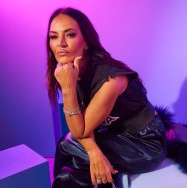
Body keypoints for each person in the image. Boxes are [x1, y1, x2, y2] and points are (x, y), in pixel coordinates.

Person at [46, 7, 167, 188]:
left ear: (86, 42)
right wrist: (94, 153)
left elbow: (79, 131)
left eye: (69, 35)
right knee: (67, 172)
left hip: (145, 144)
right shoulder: (74, 69)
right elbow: (84, 126)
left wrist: (68, 88)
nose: (60, 43)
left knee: (66, 146)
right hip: (115, 135)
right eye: (53, 37)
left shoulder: (112, 79)